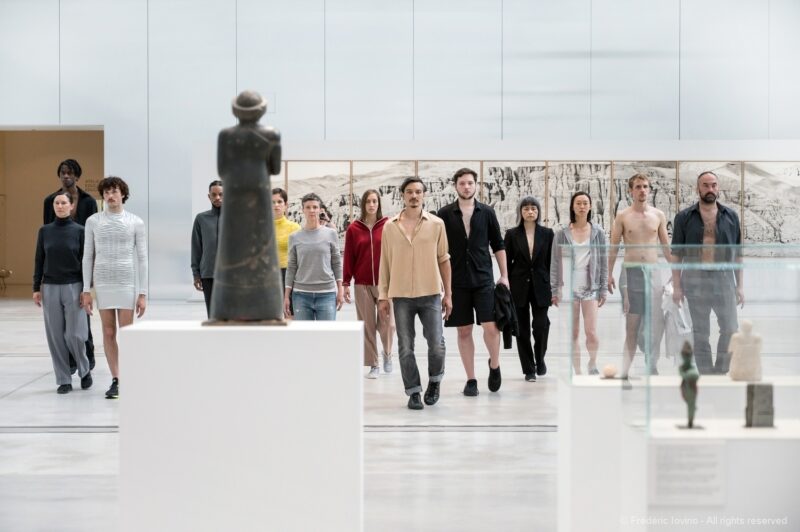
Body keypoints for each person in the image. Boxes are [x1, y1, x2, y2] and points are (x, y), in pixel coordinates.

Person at [379, 177, 452, 410]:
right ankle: (413, 392)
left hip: (430, 292)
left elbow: (444, 259)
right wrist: (382, 296)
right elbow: (385, 263)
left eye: (418, 192)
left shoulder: (437, 224)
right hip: (401, 296)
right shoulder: (390, 227)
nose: (414, 196)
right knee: (405, 346)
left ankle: (434, 381)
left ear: (424, 195)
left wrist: (448, 294)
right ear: (402, 195)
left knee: (437, 344)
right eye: (409, 192)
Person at [437, 168, 508, 396]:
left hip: (483, 278)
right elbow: (439, 250)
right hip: (457, 281)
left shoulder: (486, 212)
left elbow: (498, 244)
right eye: (462, 183)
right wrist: (442, 283)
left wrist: (504, 275)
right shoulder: (445, 214)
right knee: (464, 331)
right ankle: (471, 379)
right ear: (455, 186)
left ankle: (494, 365)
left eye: (470, 183)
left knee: (491, 326)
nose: (466, 187)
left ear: (476, 185)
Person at [82, 177, 147, 399]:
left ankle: (131, 377)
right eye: (106, 192)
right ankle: (117, 379)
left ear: (123, 194)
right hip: (103, 282)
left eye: (115, 191)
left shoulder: (136, 222)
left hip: (126, 281)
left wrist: (143, 293)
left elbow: (143, 258)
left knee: (127, 333)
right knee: (108, 332)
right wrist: (85, 290)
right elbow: (87, 256)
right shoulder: (93, 221)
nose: (110, 195)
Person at [671, 171, 743, 374]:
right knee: (701, 331)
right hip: (695, 280)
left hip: (724, 279)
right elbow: (677, 254)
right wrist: (677, 287)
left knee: (730, 328)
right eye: (705, 185)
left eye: (713, 185)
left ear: (718, 188)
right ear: (698, 188)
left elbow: (738, 255)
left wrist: (740, 285)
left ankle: (721, 370)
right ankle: (705, 372)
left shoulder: (731, 217)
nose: (710, 189)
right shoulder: (684, 217)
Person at [607, 173, 671, 378]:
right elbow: (614, 247)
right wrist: (608, 275)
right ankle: (625, 370)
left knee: (655, 323)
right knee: (632, 325)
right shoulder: (623, 216)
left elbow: (667, 248)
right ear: (630, 191)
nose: (642, 190)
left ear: (649, 190)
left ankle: (652, 364)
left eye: (645, 186)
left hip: (653, 273)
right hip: (632, 273)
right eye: (638, 187)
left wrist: (679, 275)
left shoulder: (658, 215)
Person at [33, 192, 92, 393]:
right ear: (53, 207)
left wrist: (87, 290)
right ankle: (64, 379)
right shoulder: (45, 231)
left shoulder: (80, 231)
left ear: (71, 205)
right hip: (49, 287)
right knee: (55, 336)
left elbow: (86, 261)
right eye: (57, 203)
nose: (60, 206)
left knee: (75, 335)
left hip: (74, 286)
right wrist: (36, 288)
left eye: (64, 202)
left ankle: (84, 370)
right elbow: (39, 259)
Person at [43, 158, 98, 371]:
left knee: (83, 314)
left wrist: (92, 269)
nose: (66, 176)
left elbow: (93, 233)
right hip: (58, 267)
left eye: (70, 172)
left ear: (77, 175)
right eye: (63, 172)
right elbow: (47, 233)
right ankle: (70, 360)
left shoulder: (88, 201)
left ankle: (87, 353)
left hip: (82, 262)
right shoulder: (51, 200)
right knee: (61, 322)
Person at [550, 191, 608, 375]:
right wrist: (554, 290)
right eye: (578, 203)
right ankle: (577, 371)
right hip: (569, 289)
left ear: (590, 207)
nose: (582, 206)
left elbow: (604, 263)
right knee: (573, 333)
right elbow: (554, 263)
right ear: (573, 207)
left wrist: (603, 289)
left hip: (591, 288)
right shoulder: (562, 234)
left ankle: (592, 363)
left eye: (585, 203)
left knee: (591, 332)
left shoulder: (598, 233)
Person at [343, 189, 394, 379]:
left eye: (375, 201)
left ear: (379, 203)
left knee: (388, 325)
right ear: (363, 205)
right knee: (367, 325)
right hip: (362, 284)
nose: (372, 205)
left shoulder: (388, 225)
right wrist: (346, 282)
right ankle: (373, 364)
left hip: (385, 284)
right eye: (368, 202)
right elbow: (349, 256)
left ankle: (387, 353)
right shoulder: (354, 229)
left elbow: (394, 254)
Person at [504, 196, 554, 381]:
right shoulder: (511, 234)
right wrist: (506, 286)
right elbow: (507, 263)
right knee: (522, 330)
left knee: (541, 326)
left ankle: (540, 359)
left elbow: (551, 263)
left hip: (541, 286)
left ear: (538, 211)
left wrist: (554, 287)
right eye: (526, 209)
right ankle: (528, 369)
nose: (530, 212)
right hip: (518, 288)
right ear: (520, 212)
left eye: (533, 208)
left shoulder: (548, 234)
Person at [283, 193, 343, 320]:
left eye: (315, 207)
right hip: (300, 295)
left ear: (320, 209)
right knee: (304, 338)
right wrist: (286, 296)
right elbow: (291, 267)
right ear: (302, 210)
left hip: (327, 294)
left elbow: (337, 263)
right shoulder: (294, 237)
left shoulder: (331, 234)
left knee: (326, 337)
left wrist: (340, 290)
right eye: (308, 207)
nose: (312, 210)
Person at [191, 180, 223, 317]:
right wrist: (196, 274)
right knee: (212, 315)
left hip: (231, 277)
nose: (217, 198)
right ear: (209, 196)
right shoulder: (201, 219)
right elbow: (196, 247)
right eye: (214, 194)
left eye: (221, 194)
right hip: (208, 274)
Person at [272, 187, 301, 287]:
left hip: (289, 274)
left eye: (279, 201)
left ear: (286, 205)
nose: (276, 205)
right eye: (272, 202)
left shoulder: (295, 228)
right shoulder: (262, 228)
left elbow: (301, 255)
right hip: (267, 274)